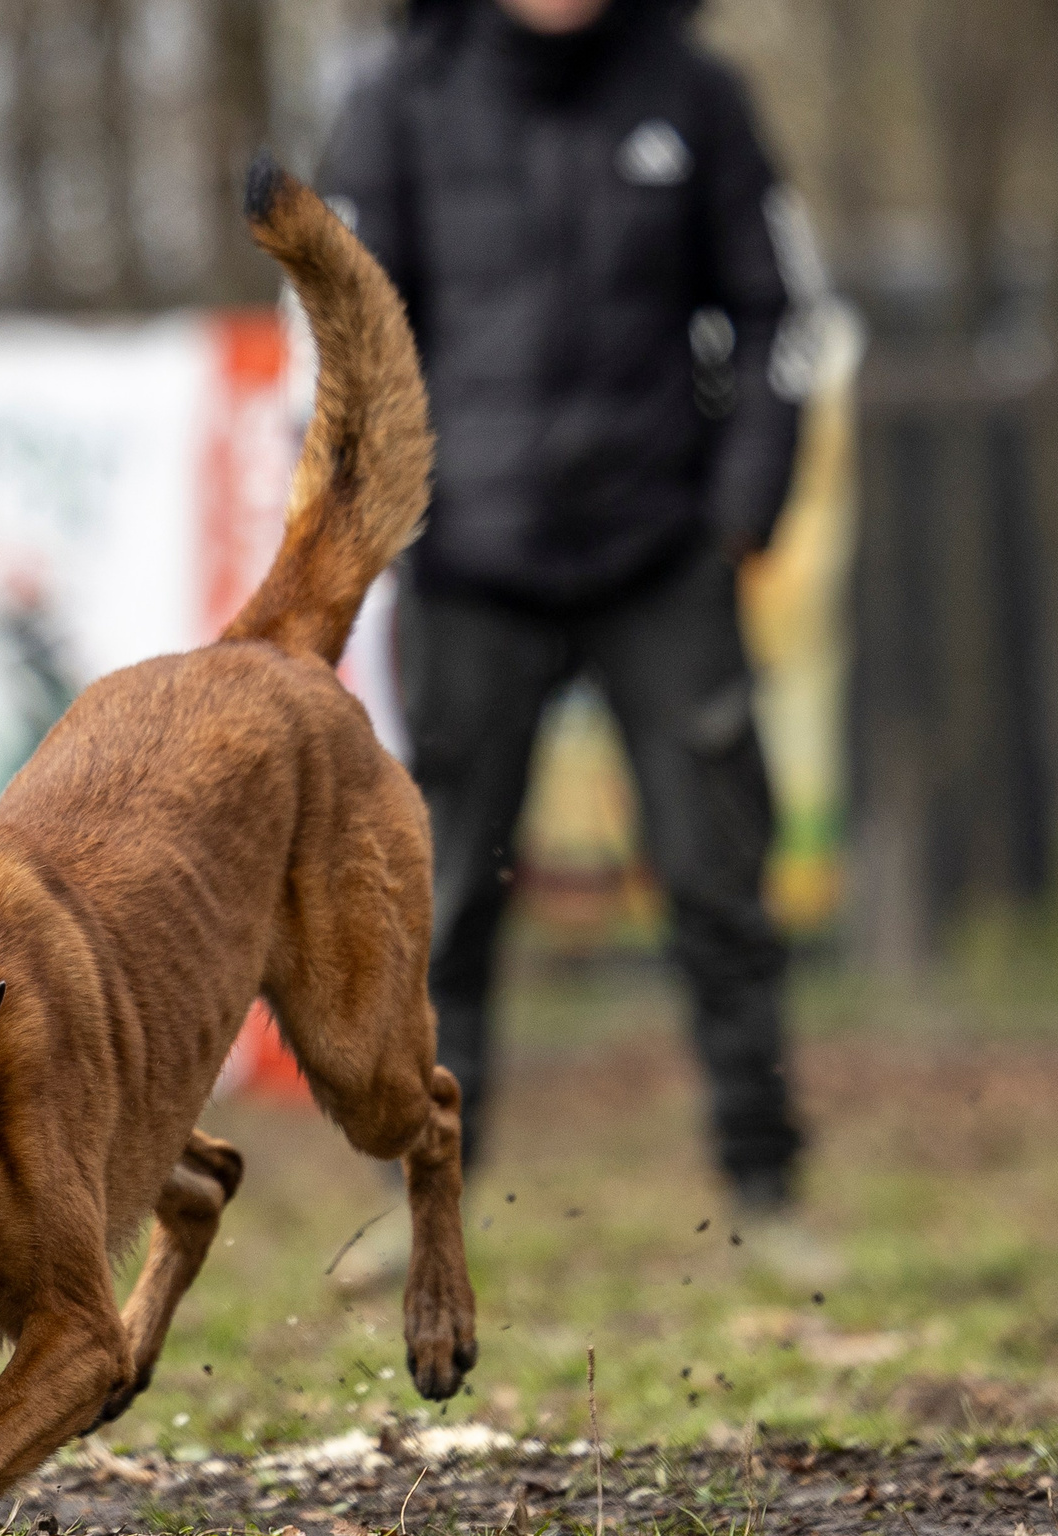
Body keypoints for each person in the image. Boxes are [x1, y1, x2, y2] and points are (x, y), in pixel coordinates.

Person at [318, 0, 814, 1216]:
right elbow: (344, 335)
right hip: (470, 566)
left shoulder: (698, 94)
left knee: (718, 883)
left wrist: (743, 507)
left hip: (663, 557)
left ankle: (767, 1185)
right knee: (444, 902)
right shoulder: (396, 104)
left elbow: (772, 313)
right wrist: (372, 513)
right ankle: (423, 1205)